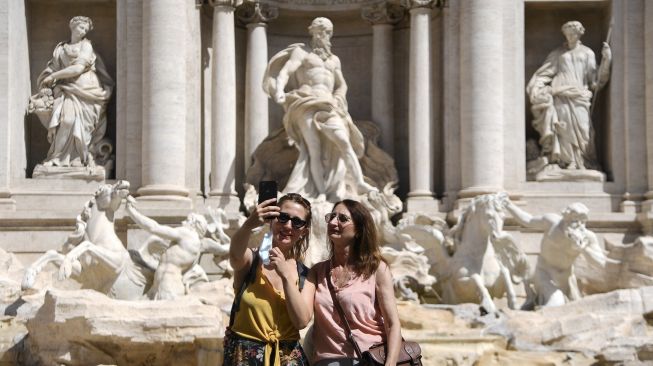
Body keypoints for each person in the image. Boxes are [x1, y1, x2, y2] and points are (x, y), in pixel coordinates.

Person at [263, 17, 377, 201]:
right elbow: (286, 72)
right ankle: (321, 192)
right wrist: (279, 91)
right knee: (313, 148)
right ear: (312, 32)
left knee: (344, 142)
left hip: (330, 105)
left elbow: (342, 85)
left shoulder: (334, 60)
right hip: (306, 102)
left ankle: (359, 182)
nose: (323, 35)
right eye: (320, 31)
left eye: (327, 32)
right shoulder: (302, 52)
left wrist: (339, 98)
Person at [298, 199, 401, 365]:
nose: (333, 222)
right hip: (326, 360)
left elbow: (392, 324)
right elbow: (301, 319)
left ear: (359, 230)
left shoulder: (376, 269)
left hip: (368, 358)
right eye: (331, 217)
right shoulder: (317, 272)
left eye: (342, 219)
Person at [224, 193, 312, 365]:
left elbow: (301, 321)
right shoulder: (252, 261)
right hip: (245, 358)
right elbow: (235, 255)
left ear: (303, 231)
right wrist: (249, 224)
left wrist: (286, 276)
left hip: (287, 359)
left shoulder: (306, 275)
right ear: (272, 219)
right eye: (283, 217)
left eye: (297, 222)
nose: (288, 225)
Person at [526, 20, 611, 171]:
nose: (571, 37)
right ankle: (568, 162)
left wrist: (606, 60)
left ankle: (584, 161)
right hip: (561, 94)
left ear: (580, 33)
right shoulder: (558, 54)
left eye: (573, 34)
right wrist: (537, 87)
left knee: (584, 130)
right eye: (568, 34)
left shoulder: (587, 53)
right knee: (564, 130)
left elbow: (595, 80)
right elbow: (544, 73)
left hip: (580, 95)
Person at [34, 15, 113, 167]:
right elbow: (52, 68)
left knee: (83, 126)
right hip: (66, 89)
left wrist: (54, 76)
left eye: (86, 29)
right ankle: (57, 158)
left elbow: (78, 68)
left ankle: (79, 158)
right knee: (66, 120)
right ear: (72, 26)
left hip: (86, 89)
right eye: (81, 27)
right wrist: (48, 78)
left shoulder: (86, 46)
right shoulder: (61, 49)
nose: (83, 31)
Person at [503, 200, 612, 308]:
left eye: (582, 222)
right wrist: (509, 205)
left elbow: (600, 263)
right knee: (556, 302)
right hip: (544, 272)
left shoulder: (587, 237)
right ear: (566, 218)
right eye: (575, 221)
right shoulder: (551, 223)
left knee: (573, 307)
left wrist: (584, 250)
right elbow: (528, 220)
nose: (579, 225)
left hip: (566, 278)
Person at [125, 196, 229, 300]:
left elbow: (154, 227)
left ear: (193, 223)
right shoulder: (201, 244)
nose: (183, 222)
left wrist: (131, 211)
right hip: (162, 286)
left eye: (187, 219)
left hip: (168, 286)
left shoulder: (187, 234)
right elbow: (225, 249)